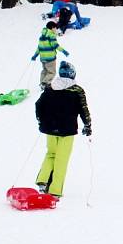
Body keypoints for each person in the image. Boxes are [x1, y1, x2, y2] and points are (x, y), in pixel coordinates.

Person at [34, 61, 92, 198]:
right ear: (72, 74)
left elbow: (39, 105)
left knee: (51, 154)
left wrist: (41, 120)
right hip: (67, 131)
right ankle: (55, 191)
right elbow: (84, 109)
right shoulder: (77, 90)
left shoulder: (50, 87)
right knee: (62, 159)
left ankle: (42, 180)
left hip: (50, 129)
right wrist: (87, 125)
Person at [31, 21, 70, 90]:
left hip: (43, 58)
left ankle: (42, 83)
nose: (56, 29)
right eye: (55, 28)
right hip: (50, 58)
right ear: (52, 28)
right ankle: (44, 83)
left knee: (45, 70)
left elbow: (39, 47)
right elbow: (55, 45)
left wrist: (35, 55)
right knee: (52, 72)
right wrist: (63, 51)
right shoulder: (51, 35)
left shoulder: (42, 36)